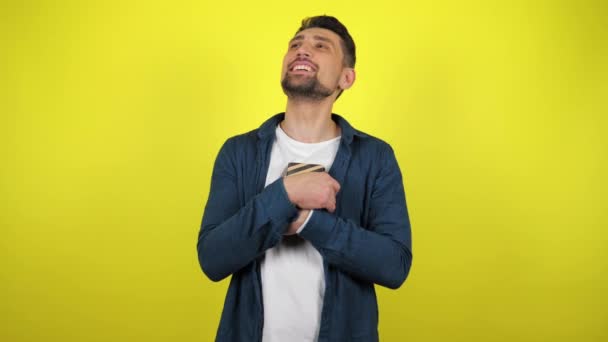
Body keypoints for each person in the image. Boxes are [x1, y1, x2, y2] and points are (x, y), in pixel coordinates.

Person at [197, 15, 413, 342]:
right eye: (295, 45)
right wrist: (284, 193)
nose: (302, 50)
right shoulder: (238, 152)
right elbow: (212, 258)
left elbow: (394, 266)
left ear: (346, 77)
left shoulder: (375, 157)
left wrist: (307, 221)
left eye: (320, 46)